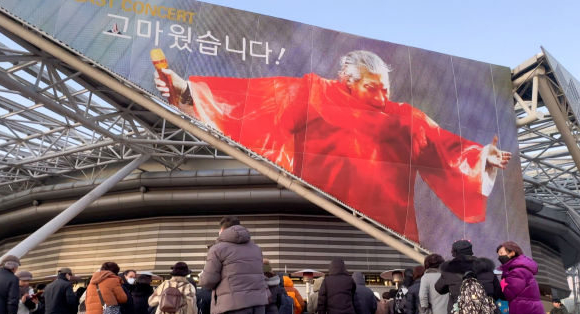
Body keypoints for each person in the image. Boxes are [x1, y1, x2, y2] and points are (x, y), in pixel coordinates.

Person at [154, 51, 511, 244]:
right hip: (320, 220)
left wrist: (483, 158)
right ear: (348, 82)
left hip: (392, 234)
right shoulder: (314, 93)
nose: (383, 96)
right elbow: (254, 102)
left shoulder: (406, 117)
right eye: (373, 88)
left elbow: (446, 148)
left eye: (386, 87)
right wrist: (186, 90)